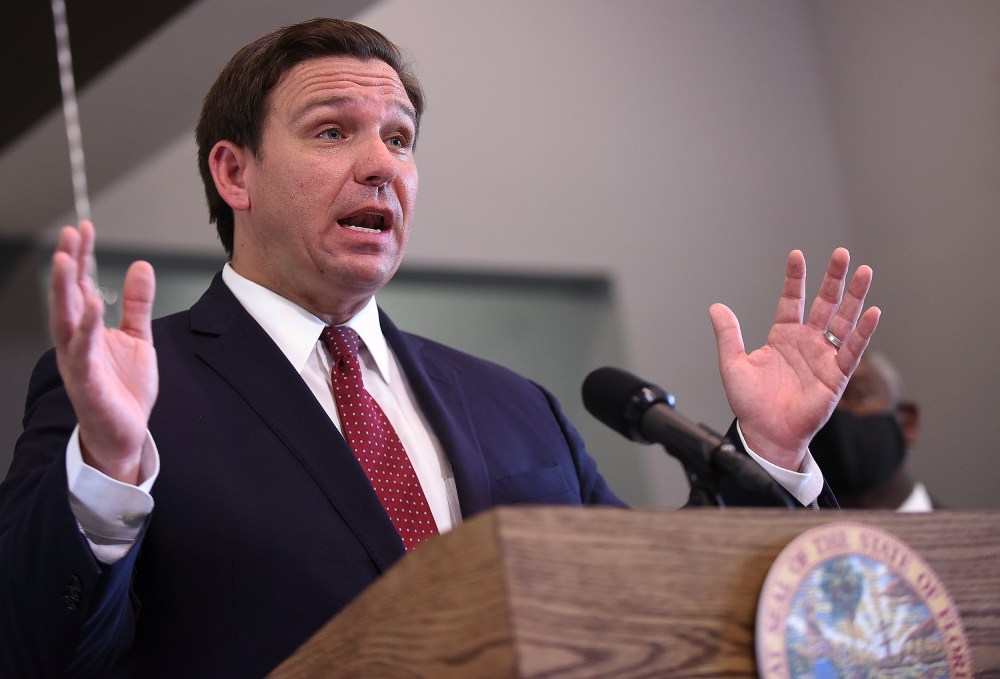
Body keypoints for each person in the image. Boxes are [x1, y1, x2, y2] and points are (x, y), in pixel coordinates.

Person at [0, 18, 879, 677]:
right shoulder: (130, 395)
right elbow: (35, 647)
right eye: (333, 131)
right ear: (235, 173)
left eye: (400, 138)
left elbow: (650, 603)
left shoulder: (516, 405)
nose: (381, 164)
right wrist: (108, 472)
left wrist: (769, 452)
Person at [809, 350, 934, 510]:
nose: (834, 409)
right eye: (820, 400)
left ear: (908, 423)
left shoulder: (962, 526)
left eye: (858, 394)